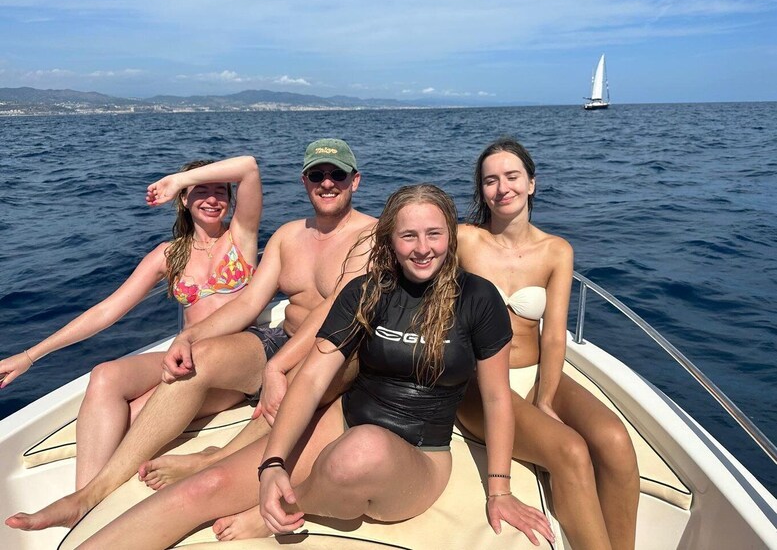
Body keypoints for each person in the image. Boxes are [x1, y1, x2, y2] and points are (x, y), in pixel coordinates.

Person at [65, 184, 555, 550]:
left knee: (361, 452)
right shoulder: (366, 292)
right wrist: (273, 462)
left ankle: (292, 504)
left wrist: (499, 490)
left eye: (433, 234)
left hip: (418, 454)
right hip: (343, 422)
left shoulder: (478, 299)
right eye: (408, 235)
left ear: (451, 235)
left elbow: (496, 398)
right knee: (208, 486)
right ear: (390, 240)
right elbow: (315, 377)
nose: (422, 247)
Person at [5, 138, 376, 534]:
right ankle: (87, 497)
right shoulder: (285, 235)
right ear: (304, 181)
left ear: (354, 181)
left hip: (331, 349)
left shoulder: (367, 235)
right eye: (317, 174)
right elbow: (250, 301)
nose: (327, 182)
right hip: (271, 343)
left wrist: (277, 369)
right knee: (138, 371)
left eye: (337, 174)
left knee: (142, 416)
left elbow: (334, 309)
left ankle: (212, 458)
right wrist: (188, 337)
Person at [0, 156, 262, 489]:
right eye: (201, 191)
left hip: (231, 366)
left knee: (135, 417)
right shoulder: (169, 255)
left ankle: (88, 499)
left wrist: (180, 179)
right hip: (186, 358)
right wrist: (30, 355)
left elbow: (248, 168)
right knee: (104, 375)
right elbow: (108, 310)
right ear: (185, 201)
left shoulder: (241, 236)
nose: (212, 199)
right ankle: (84, 498)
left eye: (220, 191)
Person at [456, 137, 639, 550]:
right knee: (570, 451)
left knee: (616, 442)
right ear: (481, 190)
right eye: (490, 180)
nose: (502, 188)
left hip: (535, 372)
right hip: (478, 384)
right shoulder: (464, 240)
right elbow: (414, 247)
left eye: (512, 176)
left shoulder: (556, 250)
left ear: (532, 183)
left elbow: (554, 334)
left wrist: (546, 398)